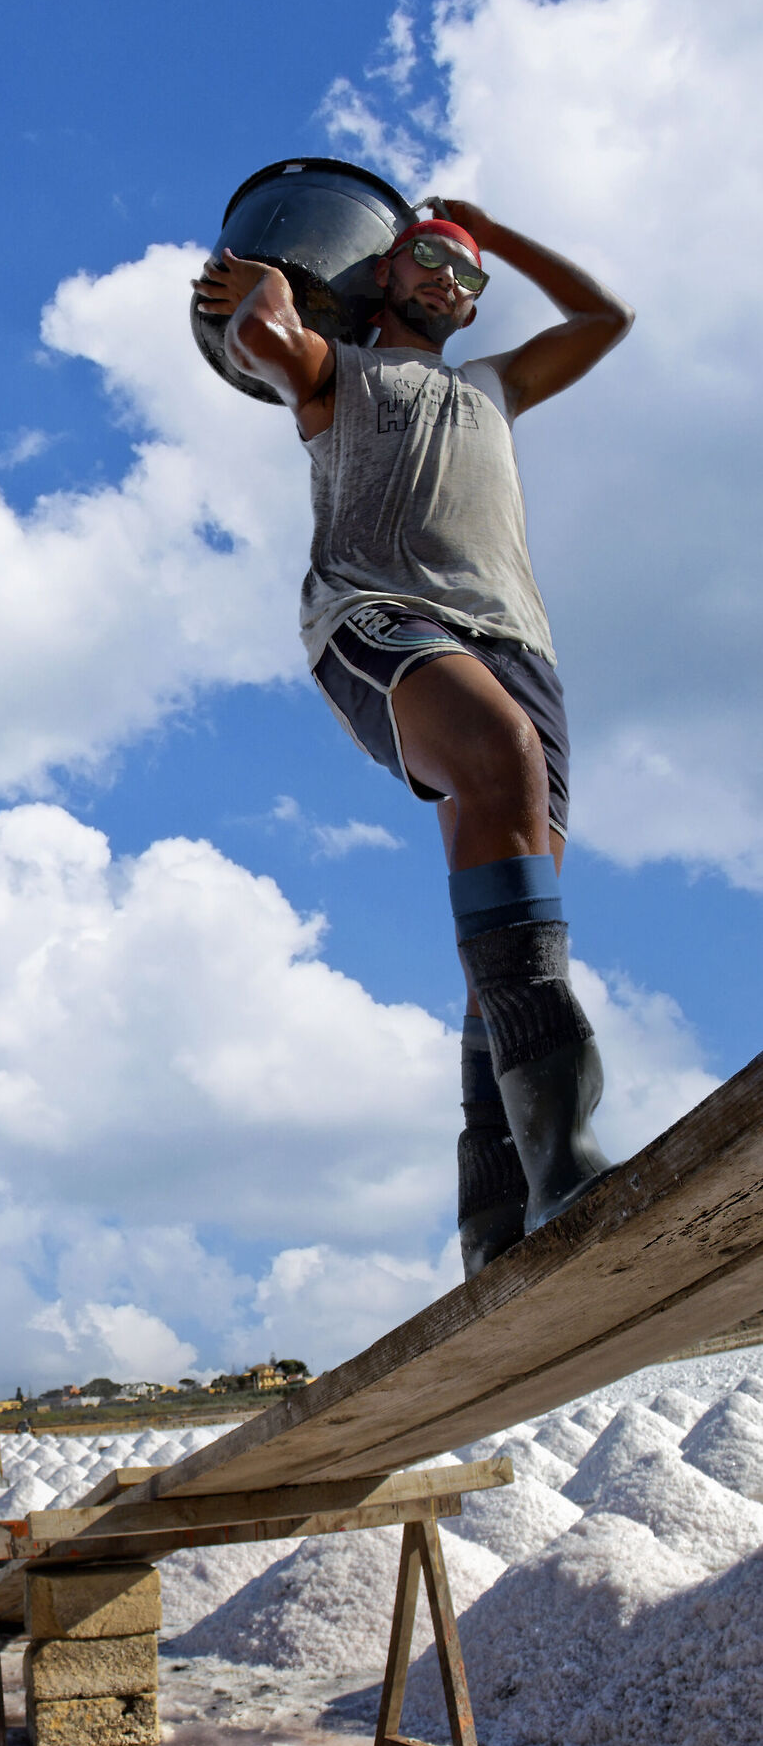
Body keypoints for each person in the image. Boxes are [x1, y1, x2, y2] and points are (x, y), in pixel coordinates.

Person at [193, 201, 632, 1275]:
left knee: (518, 921)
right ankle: (569, 1165)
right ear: (382, 272)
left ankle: (495, 1217)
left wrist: (495, 230)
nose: (453, 282)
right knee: (495, 759)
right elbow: (262, 339)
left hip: (518, 641)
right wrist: (280, 289)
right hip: (376, 612)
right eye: (431, 260)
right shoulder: (338, 369)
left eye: (470, 278)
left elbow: (606, 317)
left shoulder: (495, 386)